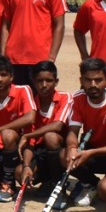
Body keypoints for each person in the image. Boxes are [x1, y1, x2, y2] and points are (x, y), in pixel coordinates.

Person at [62, 57, 106, 207]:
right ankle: (90, 184)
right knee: (64, 156)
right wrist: (72, 148)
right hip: (92, 150)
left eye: (98, 80)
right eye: (88, 80)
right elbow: (73, 131)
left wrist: (91, 153)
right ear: (81, 80)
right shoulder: (78, 98)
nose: (93, 85)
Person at [0, 56, 36, 201]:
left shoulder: (23, 90)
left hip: (16, 146)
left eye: (4, 75)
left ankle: (8, 182)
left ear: (11, 76)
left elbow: (30, 117)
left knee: (8, 134)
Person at [17, 61, 71, 196]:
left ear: (56, 81)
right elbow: (31, 141)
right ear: (34, 82)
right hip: (40, 152)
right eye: (40, 81)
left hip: (60, 152)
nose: (44, 85)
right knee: (19, 173)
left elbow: (58, 125)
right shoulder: (31, 102)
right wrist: (26, 166)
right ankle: (46, 180)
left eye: (49, 80)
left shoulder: (65, 97)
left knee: (50, 137)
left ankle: (58, 183)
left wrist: (27, 136)